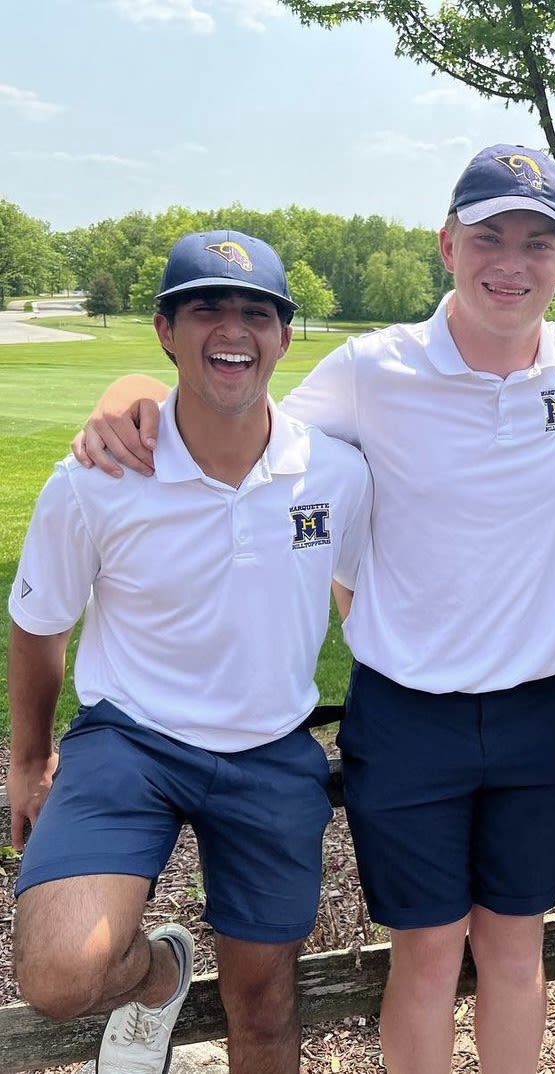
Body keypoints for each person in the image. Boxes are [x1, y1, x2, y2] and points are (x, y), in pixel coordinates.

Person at [70, 146, 555, 1074]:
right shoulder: (372, 369)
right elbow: (239, 413)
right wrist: (131, 394)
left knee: (514, 952)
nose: (510, 262)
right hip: (407, 712)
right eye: (489, 237)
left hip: (530, 708)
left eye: (537, 241)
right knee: (428, 955)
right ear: (447, 245)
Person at [7, 230, 373, 1074]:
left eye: (256, 312)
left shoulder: (336, 474)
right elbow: (39, 624)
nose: (232, 329)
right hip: (129, 740)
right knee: (60, 975)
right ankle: (159, 973)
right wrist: (28, 760)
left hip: (270, 748)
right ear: (166, 330)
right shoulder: (98, 477)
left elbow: (356, 586)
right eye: (205, 307)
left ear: (285, 336)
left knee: (268, 1010)